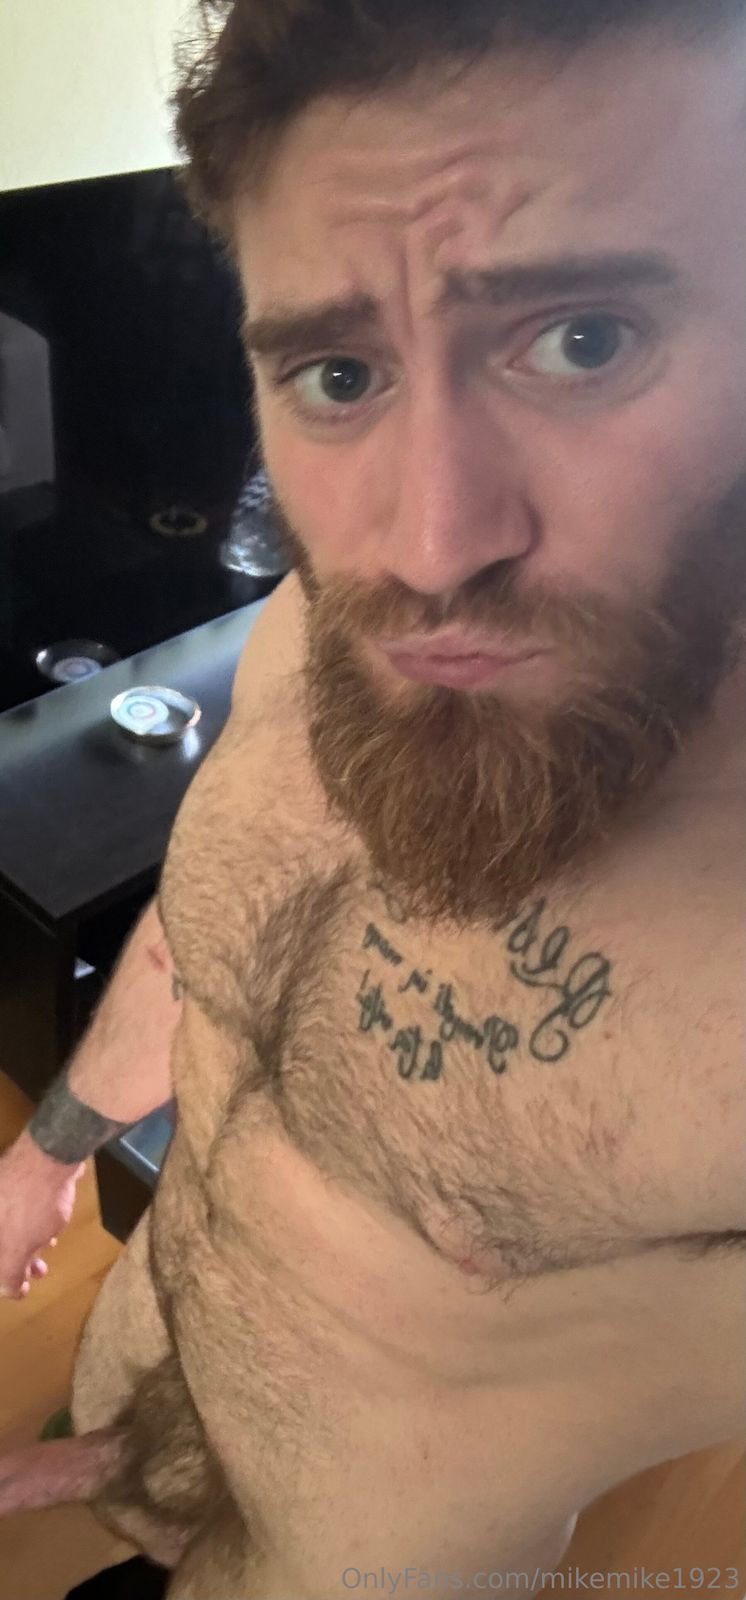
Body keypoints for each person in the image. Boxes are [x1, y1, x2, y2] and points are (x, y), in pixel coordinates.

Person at [1, 1, 745, 1595]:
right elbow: (214, 929)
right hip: (142, 1412)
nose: (424, 546)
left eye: (585, 338)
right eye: (338, 370)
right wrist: (49, 1151)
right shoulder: (316, 630)